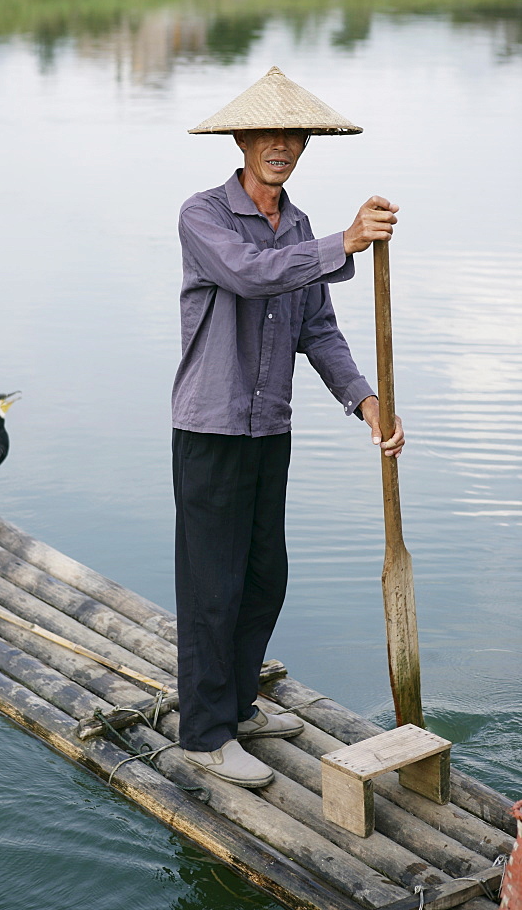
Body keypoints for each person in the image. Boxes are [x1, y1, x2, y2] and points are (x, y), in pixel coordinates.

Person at [171, 66, 405, 789]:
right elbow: (250, 274)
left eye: (292, 135)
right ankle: (206, 735)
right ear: (241, 139)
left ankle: (237, 705)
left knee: (263, 576)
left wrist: (368, 402)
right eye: (267, 133)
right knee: (212, 585)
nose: (280, 145)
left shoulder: (300, 227)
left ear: (304, 143)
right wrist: (346, 242)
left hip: (269, 428)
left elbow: (319, 331)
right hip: (210, 429)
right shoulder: (203, 214)